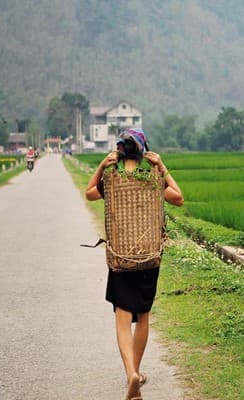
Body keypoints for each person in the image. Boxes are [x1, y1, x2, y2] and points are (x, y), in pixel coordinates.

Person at [85, 128, 183, 400]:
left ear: (119, 151)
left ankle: (131, 374)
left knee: (123, 320)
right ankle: (136, 372)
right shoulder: (152, 178)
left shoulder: (113, 178)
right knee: (143, 317)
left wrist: (101, 165)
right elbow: (178, 197)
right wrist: (162, 166)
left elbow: (89, 193)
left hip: (121, 258)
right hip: (149, 258)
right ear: (143, 151)